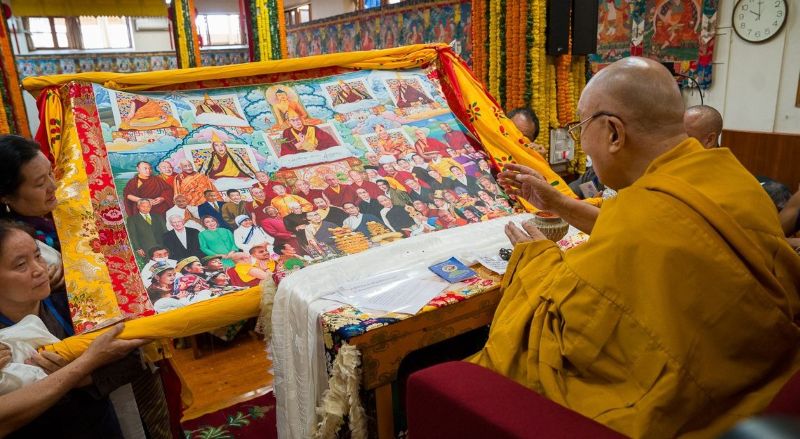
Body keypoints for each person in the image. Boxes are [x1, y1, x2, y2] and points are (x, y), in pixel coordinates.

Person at [470, 57, 800, 438]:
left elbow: (568, 333)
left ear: (614, 132)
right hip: (765, 384)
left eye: (580, 128)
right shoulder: (732, 179)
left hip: (696, 412)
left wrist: (535, 258)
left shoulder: (643, 218)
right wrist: (558, 202)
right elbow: (643, 226)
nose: (582, 145)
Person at [0, 221, 147, 437]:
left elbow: (133, 359)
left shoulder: (74, 303)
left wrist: (79, 376)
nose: (39, 269)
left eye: (38, 255)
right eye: (21, 265)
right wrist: (85, 366)